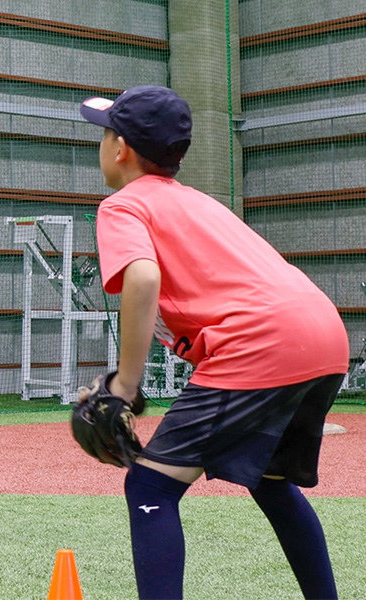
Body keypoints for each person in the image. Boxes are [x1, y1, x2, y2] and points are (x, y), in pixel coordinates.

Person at [77, 85, 348, 599]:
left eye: (104, 132)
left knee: (150, 486)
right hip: (324, 333)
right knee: (271, 483)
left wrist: (124, 384)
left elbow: (142, 279)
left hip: (262, 342)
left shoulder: (122, 206)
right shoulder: (198, 202)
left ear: (120, 149)